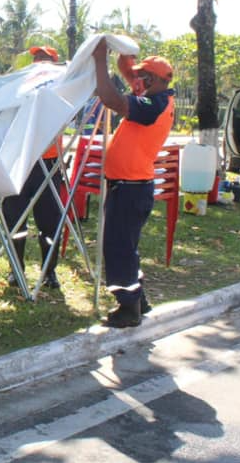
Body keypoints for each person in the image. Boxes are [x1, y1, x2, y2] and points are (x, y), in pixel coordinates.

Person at [92, 39, 175, 328]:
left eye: (141, 76)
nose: (135, 80)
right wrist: (124, 58)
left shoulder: (154, 104)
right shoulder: (154, 95)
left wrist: (99, 60)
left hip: (130, 187)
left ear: (153, 80)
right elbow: (128, 72)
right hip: (129, 186)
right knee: (126, 246)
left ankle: (128, 309)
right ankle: (139, 300)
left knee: (118, 248)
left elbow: (112, 100)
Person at [2, 45, 64, 290]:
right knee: (15, 218)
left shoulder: (59, 89)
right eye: (36, 58)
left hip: (48, 163)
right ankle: (16, 270)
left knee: (49, 221)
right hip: (21, 160)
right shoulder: (21, 88)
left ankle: (50, 272)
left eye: (44, 59)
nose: (38, 62)